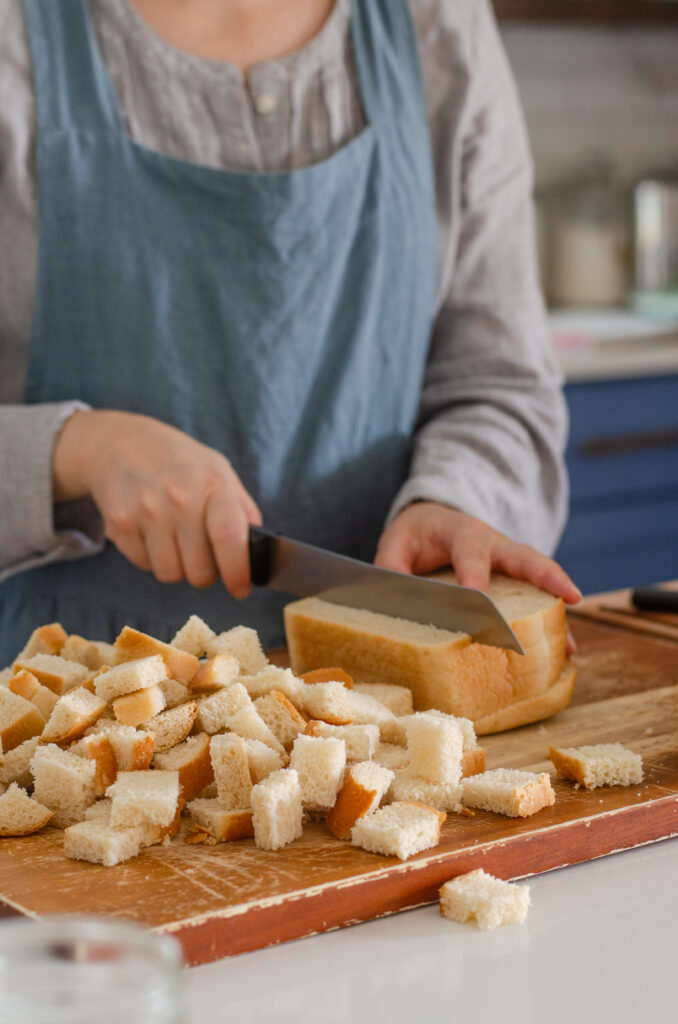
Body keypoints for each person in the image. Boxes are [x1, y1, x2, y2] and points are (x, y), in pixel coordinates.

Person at [0, 0, 580, 666]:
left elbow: (500, 385)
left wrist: (455, 498)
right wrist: (77, 450)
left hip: (381, 701)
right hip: (57, 703)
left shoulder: (440, 25)